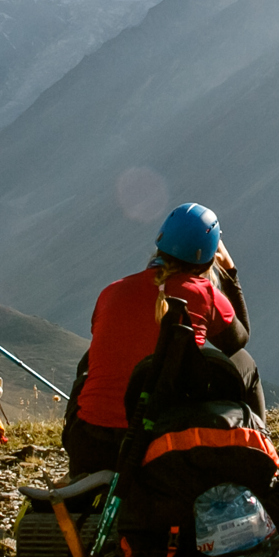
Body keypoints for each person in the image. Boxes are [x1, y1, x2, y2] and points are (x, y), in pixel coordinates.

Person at [64, 203, 252, 478]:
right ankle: (254, 453)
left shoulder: (111, 292)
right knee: (244, 363)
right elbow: (238, 340)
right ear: (208, 259)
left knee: (89, 361)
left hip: (88, 444)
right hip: (155, 448)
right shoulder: (205, 295)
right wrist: (230, 272)